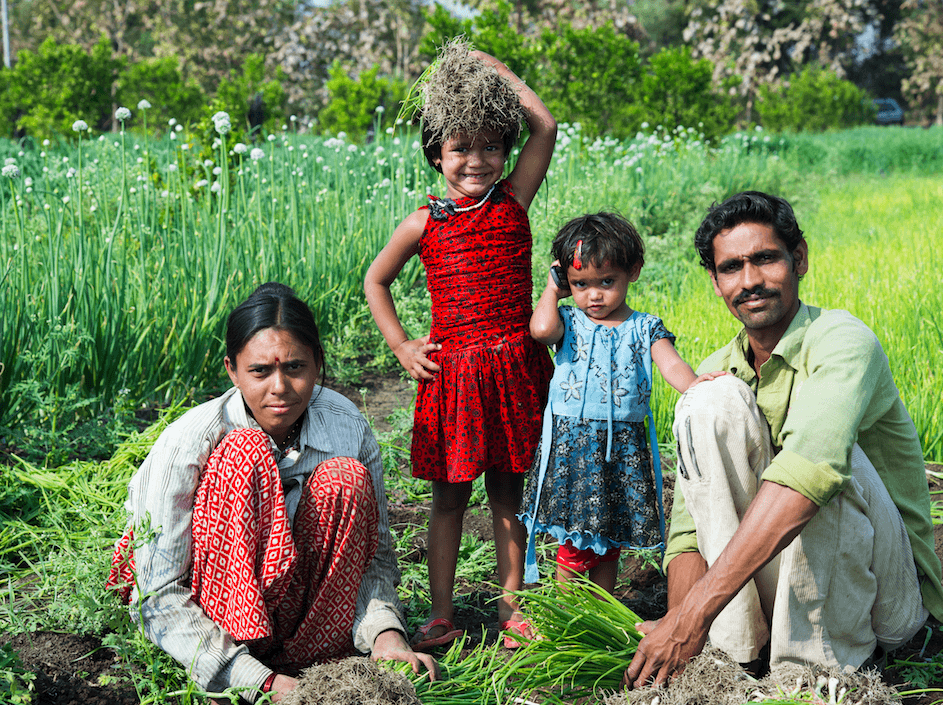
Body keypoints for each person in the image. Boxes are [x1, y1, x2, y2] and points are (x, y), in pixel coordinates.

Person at [625, 191, 943, 688]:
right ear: (715, 282)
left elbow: (811, 472)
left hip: (885, 597)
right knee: (707, 401)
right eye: (731, 267)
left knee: (823, 467)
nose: (749, 281)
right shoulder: (713, 374)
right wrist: (676, 623)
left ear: (800, 259)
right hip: (778, 588)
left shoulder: (842, 339)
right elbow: (691, 529)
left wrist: (693, 617)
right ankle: (731, 659)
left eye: (766, 259)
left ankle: (813, 675)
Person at [106, 283, 437, 704]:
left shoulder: (346, 425)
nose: (279, 386)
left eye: (295, 368)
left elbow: (374, 556)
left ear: (317, 364)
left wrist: (387, 636)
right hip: (217, 625)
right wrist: (259, 681)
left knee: (345, 478)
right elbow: (156, 593)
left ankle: (312, 662)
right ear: (233, 370)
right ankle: (261, 667)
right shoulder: (188, 442)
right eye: (260, 371)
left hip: (309, 626)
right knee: (246, 453)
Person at [363, 40, 555, 650]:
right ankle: (441, 613)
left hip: (512, 369)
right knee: (449, 497)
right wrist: (400, 346)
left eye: (491, 146)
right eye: (460, 148)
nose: (477, 160)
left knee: (507, 493)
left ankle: (512, 608)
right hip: (455, 376)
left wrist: (489, 71)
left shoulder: (512, 202)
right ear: (436, 154)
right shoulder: (426, 222)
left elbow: (544, 125)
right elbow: (376, 280)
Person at [519, 213, 723, 592]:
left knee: (609, 540)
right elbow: (540, 331)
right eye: (580, 284)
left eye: (606, 282)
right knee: (575, 542)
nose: (593, 295)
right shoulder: (568, 320)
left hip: (621, 448)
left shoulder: (645, 326)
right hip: (574, 446)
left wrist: (695, 385)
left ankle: (600, 611)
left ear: (634, 271)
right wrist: (552, 289)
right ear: (567, 281)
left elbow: (671, 364)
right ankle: (566, 617)